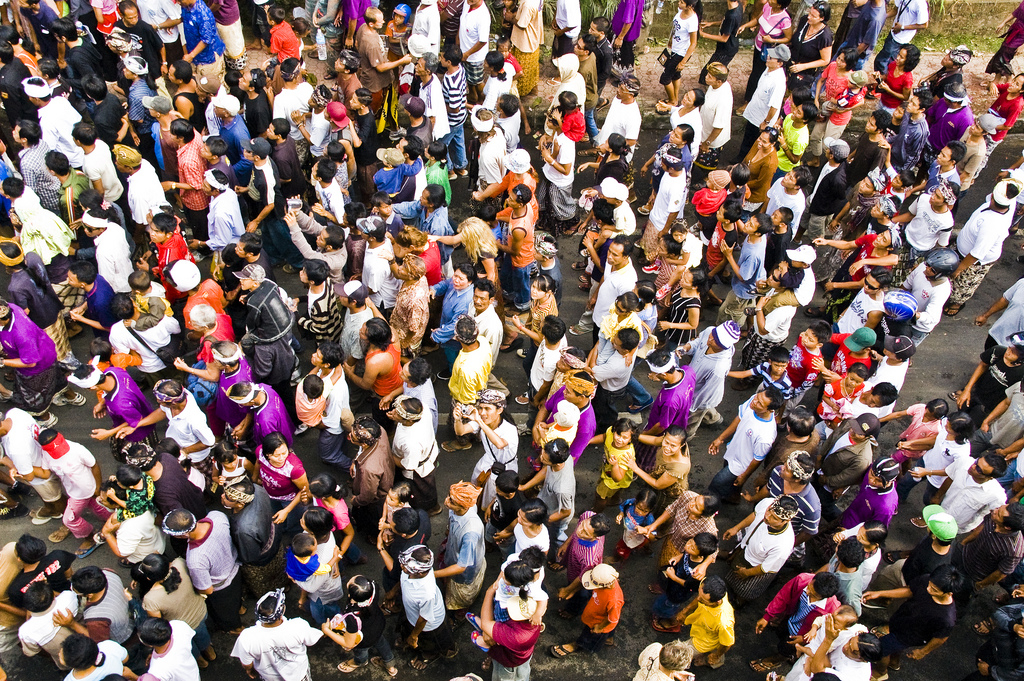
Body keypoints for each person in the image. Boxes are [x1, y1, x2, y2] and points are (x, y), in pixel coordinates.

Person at [550, 563, 622, 658]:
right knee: (607, 632)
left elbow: (613, 619)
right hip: (595, 613)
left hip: (598, 623)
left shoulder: (614, 600)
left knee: (589, 636)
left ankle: (577, 645)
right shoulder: (606, 581)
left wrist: (599, 628)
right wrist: (572, 591)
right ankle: (608, 638)